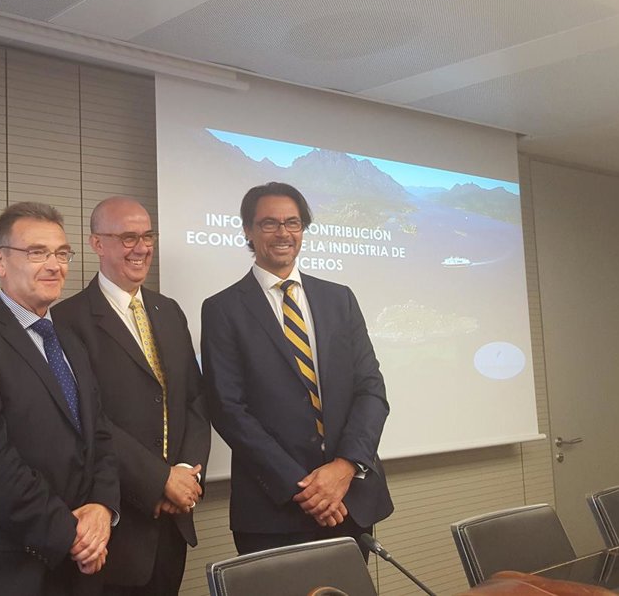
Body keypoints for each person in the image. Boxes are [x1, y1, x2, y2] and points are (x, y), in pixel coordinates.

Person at [0, 201, 119, 596]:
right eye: (37, 253)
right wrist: (71, 533)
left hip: (78, 568)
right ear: (0, 261)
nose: (54, 265)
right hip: (4, 570)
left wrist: (102, 508)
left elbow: (99, 435)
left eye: (62, 253)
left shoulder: (71, 341)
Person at [200, 182, 393, 556]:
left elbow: (371, 389)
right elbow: (228, 409)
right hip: (274, 509)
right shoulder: (222, 309)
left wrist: (344, 467)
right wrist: (307, 489)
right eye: (269, 223)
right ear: (248, 230)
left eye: (293, 222)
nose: (283, 233)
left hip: (349, 498)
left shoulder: (340, 299)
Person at [55, 196, 211, 596]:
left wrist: (185, 475)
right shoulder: (66, 320)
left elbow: (194, 401)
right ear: (96, 243)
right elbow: (85, 419)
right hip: (118, 528)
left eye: (147, 236)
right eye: (128, 237)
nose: (141, 248)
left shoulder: (169, 310)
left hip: (173, 524)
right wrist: (159, 482)